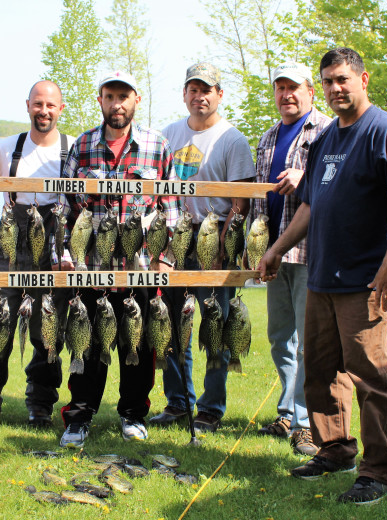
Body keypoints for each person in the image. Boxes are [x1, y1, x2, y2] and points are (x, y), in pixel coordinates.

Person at [258, 48, 387, 505]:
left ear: (363, 79)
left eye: (343, 79)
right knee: (322, 373)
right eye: (328, 81)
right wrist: (276, 249)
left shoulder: (386, 132)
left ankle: (380, 471)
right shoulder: (327, 138)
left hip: (365, 281)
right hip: (321, 279)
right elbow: (308, 204)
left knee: (373, 377)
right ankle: (336, 450)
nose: (335, 89)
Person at [55, 71, 179, 448]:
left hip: (139, 267)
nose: (117, 103)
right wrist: (66, 253)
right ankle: (79, 417)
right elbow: (65, 205)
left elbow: (170, 207)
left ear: (136, 100)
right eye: (110, 96)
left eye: (124, 96)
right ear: (101, 101)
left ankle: (132, 414)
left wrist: (166, 257)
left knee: (137, 346)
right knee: (87, 346)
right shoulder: (82, 145)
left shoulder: (157, 145)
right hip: (90, 268)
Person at [150, 62, 254, 434]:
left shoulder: (232, 140)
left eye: (207, 90)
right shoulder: (168, 135)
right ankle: (179, 402)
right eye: (193, 90)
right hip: (175, 238)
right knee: (172, 323)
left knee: (215, 326)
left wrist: (226, 243)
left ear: (219, 94)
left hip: (215, 237)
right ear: (184, 95)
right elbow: (159, 189)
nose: (200, 96)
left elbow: (241, 203)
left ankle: (211, 407)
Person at [0, 80, 73, 432]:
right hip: (10, 245)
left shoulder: (71, 151)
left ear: (60, 108)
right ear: (28, 105)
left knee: (48, 332)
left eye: (50, 105)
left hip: (53, 247)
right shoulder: (6, 149)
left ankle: (40, 404)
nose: (44, 111)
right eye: (38, 104)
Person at [250, 62, 331, 455]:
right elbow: (259, 198)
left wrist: (307, 178)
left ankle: (305, 423)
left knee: (307, 342)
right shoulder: (268, 135)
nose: (287, 95)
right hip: (273, 251)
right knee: (280, 337)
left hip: (309, 251)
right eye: (280, 88)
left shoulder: (328, 130)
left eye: (294, 87)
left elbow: (337, 185)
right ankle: (287, 410)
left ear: (311, 91)